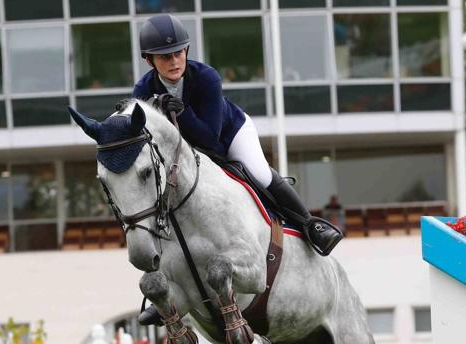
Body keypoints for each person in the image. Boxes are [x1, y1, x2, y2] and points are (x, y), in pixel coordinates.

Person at [133, 14, 343, 257]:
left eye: (179, 53)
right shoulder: (142, 90)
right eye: (165, 56)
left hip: (230, 135)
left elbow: (210, 140)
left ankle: (311, 225)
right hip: (186, 150)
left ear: (187, 51)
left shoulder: (206, 77)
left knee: (260, 174)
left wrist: (180, 110)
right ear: (149, 61)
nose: (174, 61)